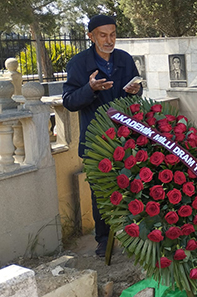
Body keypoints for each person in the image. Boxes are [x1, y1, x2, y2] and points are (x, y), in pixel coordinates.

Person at [62, 14, 142, 257]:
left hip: (125, 138)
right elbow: (69, 101)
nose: (109, 40)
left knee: (132, 186)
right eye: (103, 35)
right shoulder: (78, 64)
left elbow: (136, 94)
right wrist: (90, 88)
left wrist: (136, 90)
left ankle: (134, 235)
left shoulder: (124, 59)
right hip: (96, 141)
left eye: (113, 34)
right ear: (91, 36)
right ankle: (104, 240)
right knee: (102, 193)